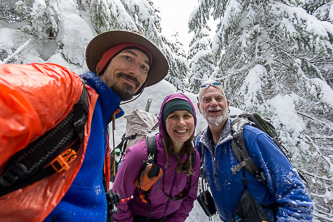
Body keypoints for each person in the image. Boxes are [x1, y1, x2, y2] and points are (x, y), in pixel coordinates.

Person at [0, 30, 169, 221]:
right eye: (128, 58)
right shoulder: (66, 89)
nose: (135, 71)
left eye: (144, 68)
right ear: (102, 64)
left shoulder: (102, 117)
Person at [195, 79, 313, 221]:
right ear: (200, 107)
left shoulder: (252, 138)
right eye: (207, 99)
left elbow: (297, 199)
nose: (213, 103)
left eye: (218, 98)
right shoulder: (201, 144)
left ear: (227, 104)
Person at [112, 93, 200, 222]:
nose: (181, 122)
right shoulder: (140, 153)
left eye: (187, 116)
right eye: (173, 116)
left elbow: (189, 198)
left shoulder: (193, 157)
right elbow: (118, 200)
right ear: (163, 122)